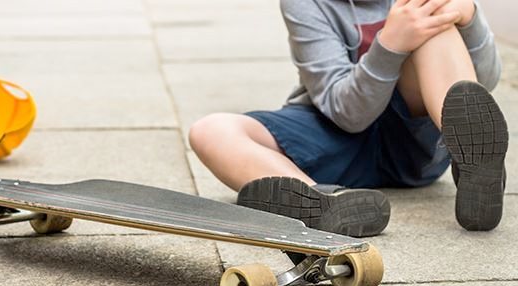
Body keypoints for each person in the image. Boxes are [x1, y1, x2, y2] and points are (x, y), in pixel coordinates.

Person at [189, 0, 508, 237]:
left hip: (412, 138)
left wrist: (470, 19)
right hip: (333, 129)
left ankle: (474, 167)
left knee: (436, 28)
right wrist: (390, 45)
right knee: (210, 130)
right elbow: (347, 115)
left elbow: (484, 83)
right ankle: (323, 202)